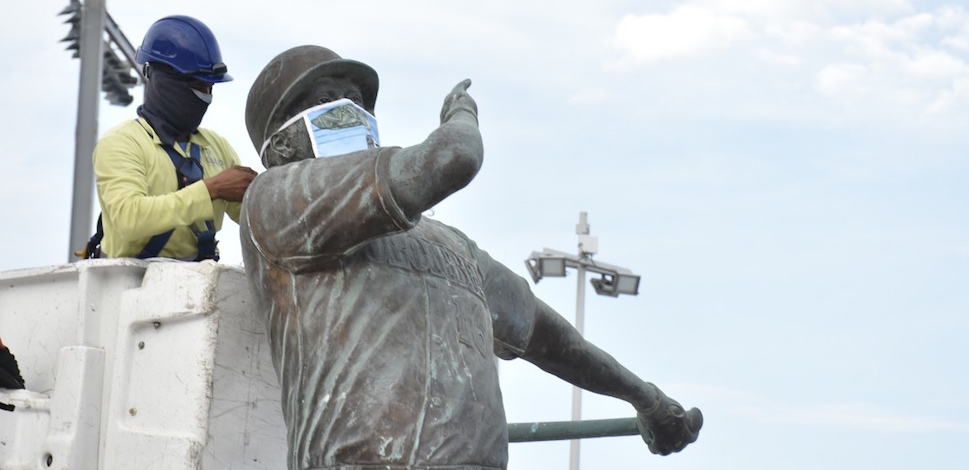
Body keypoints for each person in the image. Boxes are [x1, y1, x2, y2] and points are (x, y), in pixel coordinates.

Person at [240, 45, 702, 470]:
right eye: (328, 99)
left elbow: (546, 336)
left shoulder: (449, 244)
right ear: (281, 146)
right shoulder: (277, 201)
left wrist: (647, 399)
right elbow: (454, 157)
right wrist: (461, 115)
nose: (352, 110)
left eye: (356, 99)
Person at [90, 15, 257, 260]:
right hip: (128, 286)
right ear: (163, 81)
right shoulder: (122, 143)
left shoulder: (217, 147)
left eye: (211, 89)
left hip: (200, 285)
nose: (207, 97)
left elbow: (256, 217)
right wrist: (211, 189)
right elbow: (129, 219)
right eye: (199, 87)